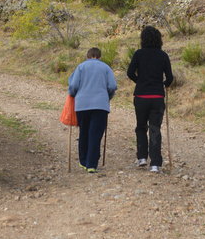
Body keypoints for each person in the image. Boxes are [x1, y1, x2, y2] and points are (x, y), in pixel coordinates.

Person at [127, 25, 173, 174]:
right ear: (158, 39)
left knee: (141, 126)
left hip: (141, 96)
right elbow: (170, 78)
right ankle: (155, 164)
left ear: (143, 39)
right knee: (154, 129)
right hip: (157, 97)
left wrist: (139, 81)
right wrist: (163, 84)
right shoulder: (163, 55)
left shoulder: (138, 54)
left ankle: (142, 158)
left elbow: (129, 72)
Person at [68, 47, 117, 173]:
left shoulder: (81, 67)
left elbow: (73, 85)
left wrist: (73, 94)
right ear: (100, 57)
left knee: (84, 132)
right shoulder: (106, 67)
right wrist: (107, 97)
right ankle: (91, 164)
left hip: (82, 105)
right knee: (95, 134)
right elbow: (112, 86)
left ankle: (83, 161)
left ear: (87, 56)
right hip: (101, 106)